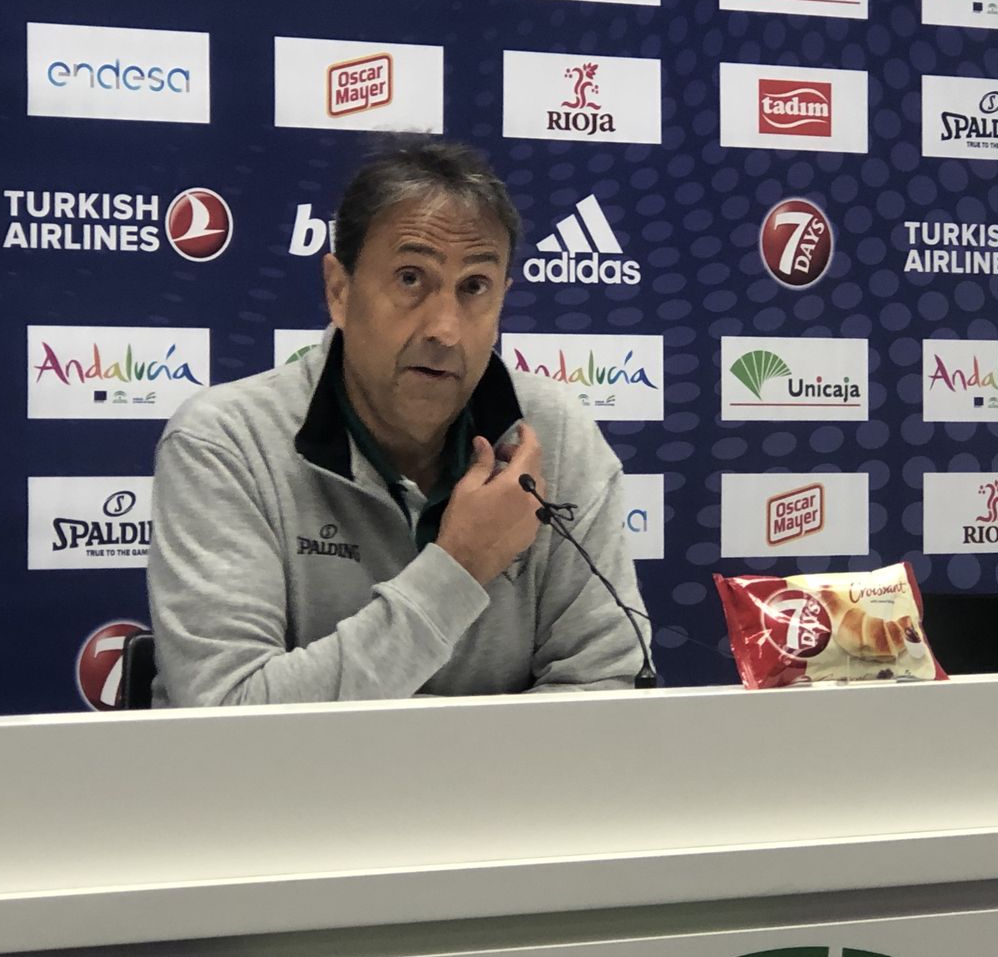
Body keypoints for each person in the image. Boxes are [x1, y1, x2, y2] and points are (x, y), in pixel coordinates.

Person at [146, 140, 649, 704]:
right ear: (339, 291)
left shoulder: (554, 435)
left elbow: (604, 690)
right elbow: (225, 717)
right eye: (411, 279)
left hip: (497, 793)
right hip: (291, 795)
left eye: (474, 288)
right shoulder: (225, 443)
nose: (445, 329)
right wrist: (459, 567)